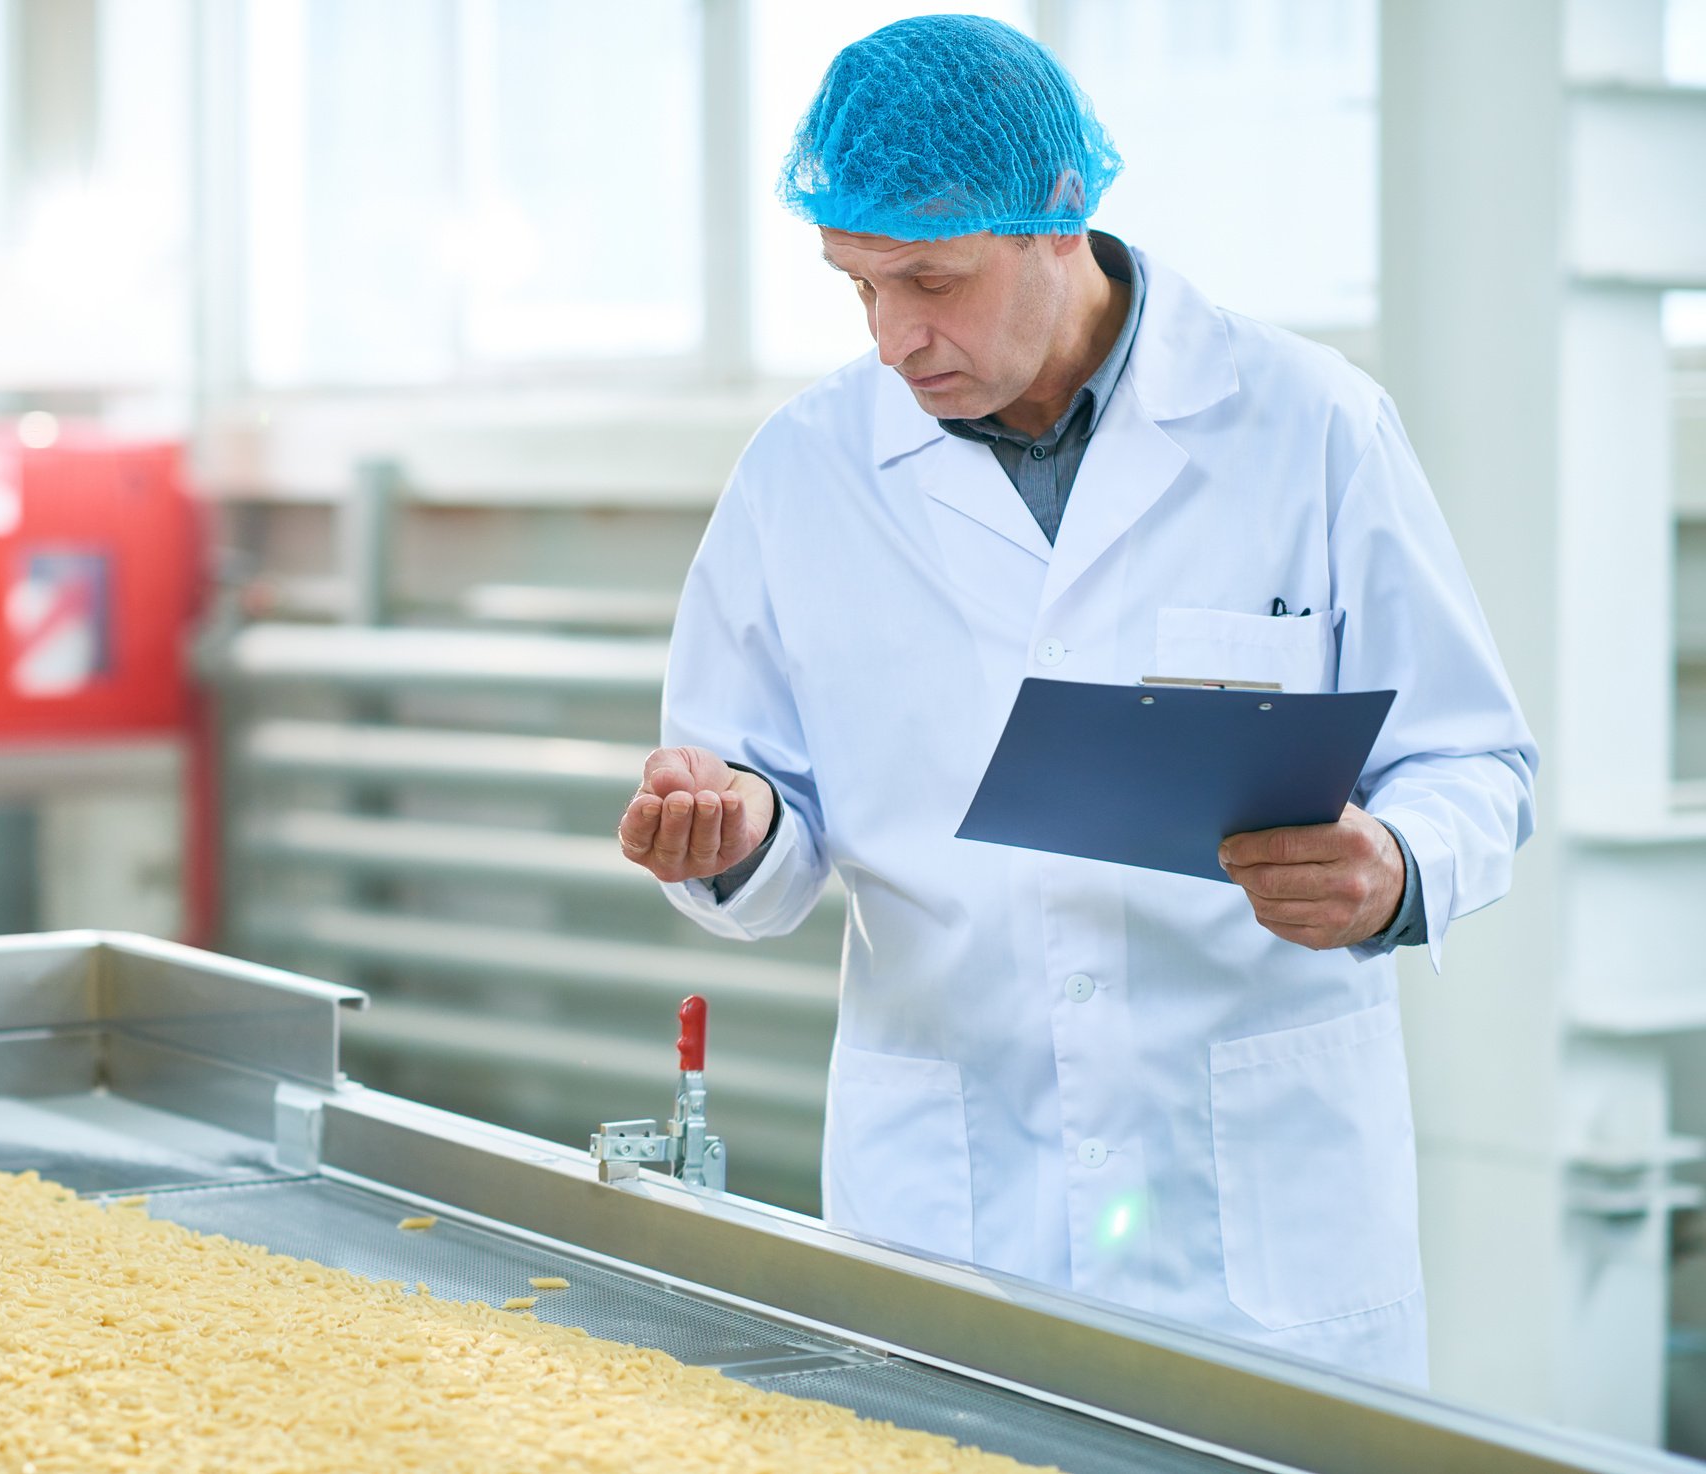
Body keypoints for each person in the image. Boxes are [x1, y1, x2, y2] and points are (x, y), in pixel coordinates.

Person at [615, 14, 1534, 1385]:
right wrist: (735, 829)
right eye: (856, 285)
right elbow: (762, 805)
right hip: (946, 1202)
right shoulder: (802, 475)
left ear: (1061, 218)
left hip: (1256, 1215)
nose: (893, 340)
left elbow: (1477, 762)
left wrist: (1396, 867)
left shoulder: (1307, 424)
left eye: (931, 280)